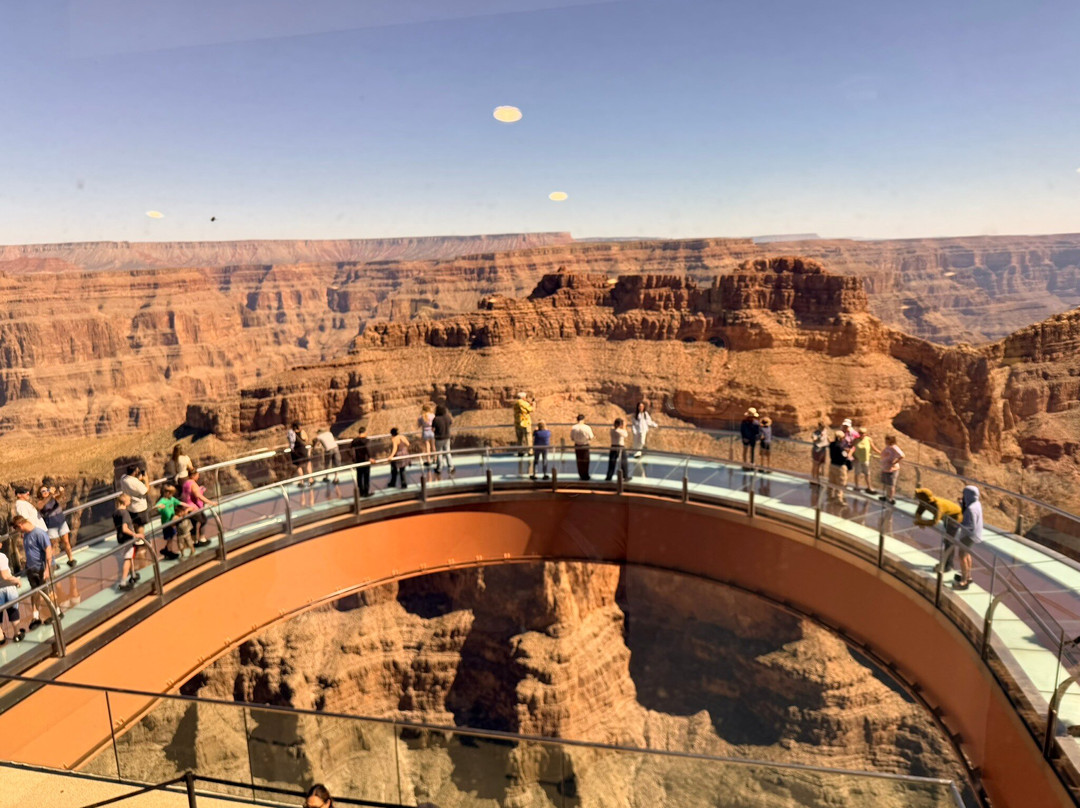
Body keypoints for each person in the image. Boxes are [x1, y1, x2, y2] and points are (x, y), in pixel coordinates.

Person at [13, 514, 60, 628]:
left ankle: (56, 612)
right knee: (35, 592)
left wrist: (47, 570)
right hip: (32, 569)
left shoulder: (39, 533)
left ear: (20, 524)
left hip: (43, 568)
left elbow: (48, 551)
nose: (17, 531)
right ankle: (35, 616)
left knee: (48, 592)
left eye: (16, 528)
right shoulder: (26, 535)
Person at [913, 487, 963, 573]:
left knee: (948, 541)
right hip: (946, 518)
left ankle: (948, 566)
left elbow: (934, 522)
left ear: (925, 498)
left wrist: (921, 522)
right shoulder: (924, 503)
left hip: (955, 519)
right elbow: (918, 513)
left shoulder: (938, 505)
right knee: (947, 541)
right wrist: (920, 521)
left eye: (918, 496)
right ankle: (947, 563)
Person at [37, 484, 76, 567]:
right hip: (51, 526)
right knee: (51, 546)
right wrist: (50, 494)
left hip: (61, 523)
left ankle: (71, 559)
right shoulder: (40, 502)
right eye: (43, 491)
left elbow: (60, 496)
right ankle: (52, 564)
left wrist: (61, 491)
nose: (45, 492)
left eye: (46, 490)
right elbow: (41, 505)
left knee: (66, 542)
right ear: (40, 494)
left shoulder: (53, 498)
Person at [954, 485, 983, 591]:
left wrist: (958, 524)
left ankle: (964, 580)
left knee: (962, 556)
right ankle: (968, 576)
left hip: (968, 536)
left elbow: (970, 525)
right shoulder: (976, 504)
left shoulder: (971, 509)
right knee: (967, 554)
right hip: (974, 535)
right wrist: (962, 505)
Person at [181, 469, 216, 547]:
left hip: (187, 507)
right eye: (197, 475)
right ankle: (202, 539)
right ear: (193, 475)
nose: (198, 477)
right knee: (203, 520)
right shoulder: (193, 484)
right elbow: (198, 496)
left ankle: (194, 541)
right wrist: (211, 502)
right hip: (194, 508)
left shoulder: (186, 483)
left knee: (194, 523)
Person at [155, 484, 191, 560]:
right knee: (169, 537)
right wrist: (159, 507)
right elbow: (156, 506)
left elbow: (179, 503)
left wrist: (189, 506)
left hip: (172, 521)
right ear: (167, 493)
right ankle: (169, 550)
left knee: (171, 536)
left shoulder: (172, 499)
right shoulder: (163, 501)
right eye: (171, 493)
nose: (172, 495)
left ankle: (167, 549)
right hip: (166, 523)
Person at [112, 494, 139, 591]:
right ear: (125, 502)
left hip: (120, 538)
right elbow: (125, 528)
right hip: (127, 539)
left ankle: (133, 574)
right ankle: (123, 582)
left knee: (130, 556)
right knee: (127, 558)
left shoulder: (115, 513)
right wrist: (135, 534)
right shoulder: (125, 513)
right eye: (129, 500)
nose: (130, 502)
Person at [0, 546, 25, 645]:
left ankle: (1, 637)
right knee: (13, 610)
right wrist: (16, 580)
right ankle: (17, 634)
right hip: (8, 588)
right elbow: (5, 575)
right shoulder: (1, 556)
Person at [120, 465, 151, 534]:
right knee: (140, 526)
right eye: (137, 471)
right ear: (135, 472)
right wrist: (146, 479)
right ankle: (141, 539)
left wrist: (138, 479)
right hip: (140, 508)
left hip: (130, 508)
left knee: (136, 525)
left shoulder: (123, 478)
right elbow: (146, 491)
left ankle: (138, 538)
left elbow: (132, 483)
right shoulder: (135, 483)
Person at [288, 423, 314, 505]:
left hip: (295, 452)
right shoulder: (302, 432)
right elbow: (305, 439)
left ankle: (301, 482)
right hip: (302, 450)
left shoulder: (290, 433)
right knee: (308, 464)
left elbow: (290, 442)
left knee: (298, 466)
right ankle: (310, 480)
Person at [315, 425, 341, 498]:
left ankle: (326, 477)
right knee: (336, 464)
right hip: (335, 448)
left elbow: (316, 445)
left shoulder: (319, 437)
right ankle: (336, 478)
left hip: (328, 450)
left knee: (328, 463)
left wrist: (317, 447)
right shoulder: (329, 433)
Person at [827, 431, 852, 505]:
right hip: (840, 467)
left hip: (832, 465)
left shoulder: (832, 444)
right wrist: (850, 452)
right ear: (841, 438)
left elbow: (831, 444)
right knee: (841, 483)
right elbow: (845, 457)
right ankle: (838, 499)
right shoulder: (840, 447)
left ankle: (829, 496)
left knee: (831, 481)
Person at [878, 435, 905, 504]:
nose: (886, 441)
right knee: (887, 484)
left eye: (888, 440)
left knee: (891, 485)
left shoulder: (894, 447)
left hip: (892, 469)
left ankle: (890, 498)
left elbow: (902, 455)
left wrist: (894, 462)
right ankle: (886, 496)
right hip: (885, 468)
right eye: (886, 439)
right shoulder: (888, 447)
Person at [570, 414, 594, 481]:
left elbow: (572, 438)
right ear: (583, 420)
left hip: (577, 445)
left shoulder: (574, 427)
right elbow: (591, 437)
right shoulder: (587, 427)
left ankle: (581, 474)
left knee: (579, 461)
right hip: (585, 445)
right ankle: (585, 475)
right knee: (586, 461)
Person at [433, 405, 454, 474]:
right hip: (447, 437)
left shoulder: (436, 419)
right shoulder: (447, 417)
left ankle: (439, 468)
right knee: (448, 452)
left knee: (439, 453)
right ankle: (451, 467)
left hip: (438, 438)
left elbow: (433, 429)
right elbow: (450, 424)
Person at [351, 427, 371, 496]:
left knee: (359, 477)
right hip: (365, 461)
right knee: (366, 477)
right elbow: (368, 449)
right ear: (364, 432)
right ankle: (366, 492)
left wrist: (352, 457)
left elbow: (349, 448)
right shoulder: (367, 441)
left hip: (358, 461)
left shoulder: (354, 441)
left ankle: (361, 492)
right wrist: (370, 457)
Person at [513, 392, 534, 456]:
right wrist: (533, 404)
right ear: (523, 397)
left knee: (519, 438)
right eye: (525, 397)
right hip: (525, 423)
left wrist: (528, 403)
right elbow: (531, 409)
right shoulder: (522, 402)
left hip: (517, 423)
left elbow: (523, 409)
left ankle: (520, 451)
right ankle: (530, 452)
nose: (526, 398)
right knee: (528, 438)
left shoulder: (516, 403)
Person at [418, 403, 436, 467]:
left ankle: (428, 460)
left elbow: (419, 425)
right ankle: (435, 459)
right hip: (432, 431)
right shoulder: (432, 415)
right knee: (433, 446)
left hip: (425, 432)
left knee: (427, 447)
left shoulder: (421, 416)